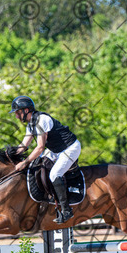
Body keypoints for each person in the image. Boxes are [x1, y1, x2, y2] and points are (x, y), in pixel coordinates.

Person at [9, 95, 81, 224]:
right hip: (56, 150)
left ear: (26, 110)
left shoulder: (42, 120)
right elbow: (24, 145)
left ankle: (66, 210)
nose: (16, 116)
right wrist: (10, 154)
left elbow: (40, 147)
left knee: (54, 174)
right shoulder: (31, 124)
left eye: (18, 112)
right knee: (37, 164)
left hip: (70, 148)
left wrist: (24, 162)